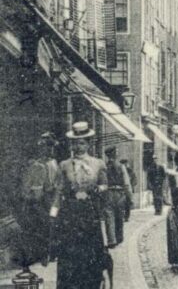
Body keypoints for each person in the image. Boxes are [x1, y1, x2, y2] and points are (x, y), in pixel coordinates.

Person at [50, 122, 110, 289]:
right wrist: (53, 214)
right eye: (76, 143)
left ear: (88, 144)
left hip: (91, 215)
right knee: (70, 258)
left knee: (91, 257)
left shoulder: (98, 164)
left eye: (82, 142)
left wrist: (94, 191)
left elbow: (105, 186)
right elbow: (58, 192)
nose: (79, 146)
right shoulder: (64, 165)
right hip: (70, 217)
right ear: (72, 144)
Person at [16, 132, 58, 267]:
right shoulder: (37, 165)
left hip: (53, 198)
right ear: (41, 148)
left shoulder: (54, 162)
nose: (49, 149)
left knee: (53, 225)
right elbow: (33, 187)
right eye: (46, 147)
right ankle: (43, 254)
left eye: (51, 147)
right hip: (40, 199)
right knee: (42, 226)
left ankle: (51, 252)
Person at [103, 146, 130, 248]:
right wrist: (129, 197)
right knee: (119, 216)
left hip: (108, 192)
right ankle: (119, 237)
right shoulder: (121, 166)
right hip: (119, 193)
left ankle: (111, 240)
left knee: (109, 217)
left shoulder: (104, 167)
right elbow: (126, 183)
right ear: (115, 154)